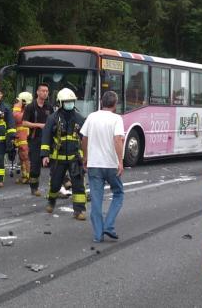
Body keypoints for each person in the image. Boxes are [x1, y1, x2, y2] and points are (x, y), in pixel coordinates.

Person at [80, 91, 126, 243]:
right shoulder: (116, 119)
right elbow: (118, 140)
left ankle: (98, 234)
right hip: (111, 164)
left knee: (96, 199)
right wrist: (120, 161)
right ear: (115, 104)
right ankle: (109, 225)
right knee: (118, 193)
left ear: (101, 102)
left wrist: (85, 156)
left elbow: (84, 138)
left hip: (94, 164)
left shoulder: (92, 117)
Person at [41, 88, 87, 220]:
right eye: (67, 102)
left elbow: (85, 138)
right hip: (57, 158)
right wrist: (45, 155)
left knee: (78, 185)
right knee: (55, 184)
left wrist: (86, 157)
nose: (70, 104)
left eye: (71, 101)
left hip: (75, 158)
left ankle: (79, 211)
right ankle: (51, 201)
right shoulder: (52, 118)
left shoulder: (79, 118)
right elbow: (46, 137)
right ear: (61, 103)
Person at [23, 83, 54, 196]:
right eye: (43, 91)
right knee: (35, 166)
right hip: (35, 139)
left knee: (54, 163)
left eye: (46, 91)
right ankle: (34, 187)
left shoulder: (49, 107)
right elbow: (24, 122)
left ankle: (55, 188)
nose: (45, 93)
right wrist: (39, 125)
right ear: (37, 92)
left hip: (48, 140)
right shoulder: (30, 107)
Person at [12, 91, 34, 185]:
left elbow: (17, 117)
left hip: (25, 136)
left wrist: (18, 106)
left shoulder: (27, 109)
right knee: (22, 157)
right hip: (20, 135)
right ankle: (25, 175)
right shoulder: (24, 108)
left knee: (26, 156)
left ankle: (29, 176)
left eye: (20, 101)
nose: (18, 102)